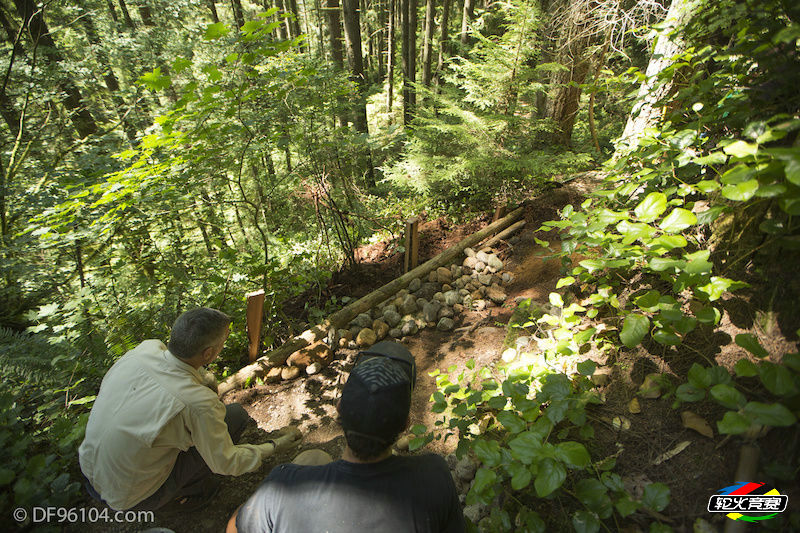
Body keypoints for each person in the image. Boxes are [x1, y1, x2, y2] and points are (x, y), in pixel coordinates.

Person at [228, 341, 466, 533]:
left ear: (339, 409)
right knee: (314, 458)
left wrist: (261, 500)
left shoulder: (282, 488)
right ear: (405, 424)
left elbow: (235, 528)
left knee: (311, 459)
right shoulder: (434, 477)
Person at [79, 307, 300, 512]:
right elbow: (226, 462)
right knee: (234, 417)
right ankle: (191, 493)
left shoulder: (143, 351)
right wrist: (273, 446)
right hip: (128, 497)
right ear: (208, 354)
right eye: (223, 342)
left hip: (89, 472)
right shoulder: (198, 402)